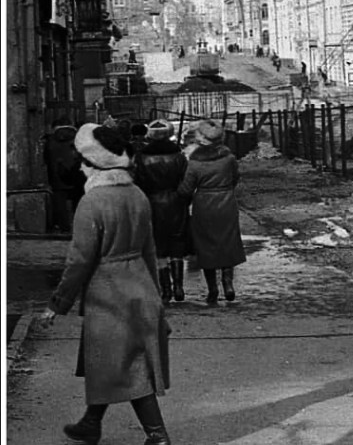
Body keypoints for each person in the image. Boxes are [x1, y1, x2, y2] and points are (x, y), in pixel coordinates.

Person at [39, 123, 172, 445]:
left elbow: (80, 260)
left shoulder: (92, 203)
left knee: (124, 365)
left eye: (84, 161)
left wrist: (57, 304)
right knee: (107, 360)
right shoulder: (137, 194)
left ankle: (158, 436)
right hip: (138, 285)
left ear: (93, 164)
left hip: (108, 294)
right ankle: (91, 423)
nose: (81, 167)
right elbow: (150, 249)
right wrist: (157, 296)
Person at [177, 120, 245, 305]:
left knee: (205, 244)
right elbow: (235, 178)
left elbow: (187, 188)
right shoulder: (229, 158)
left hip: (204, 204)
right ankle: (228, 283)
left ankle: (212, 289)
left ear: (203, 138)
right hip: (227, 202)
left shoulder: (195, 162)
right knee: (228, 240)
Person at [133, 119, 190, 304]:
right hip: (175, 202)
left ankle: (166, 290)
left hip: (152, 202)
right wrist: (183, 199)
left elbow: (138, 182)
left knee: (158, 247)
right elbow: (186, 181)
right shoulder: (179, 156)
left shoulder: (141, 157)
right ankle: (179, 287)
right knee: (177, 243)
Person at [44, 118, 86, 233]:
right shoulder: (78, 137)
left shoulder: (50, 141)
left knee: (60, 204)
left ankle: (65, 228)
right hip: (77, 176)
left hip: (57, 178)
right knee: (79, 203)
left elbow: (45, 159)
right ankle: (81, 227)